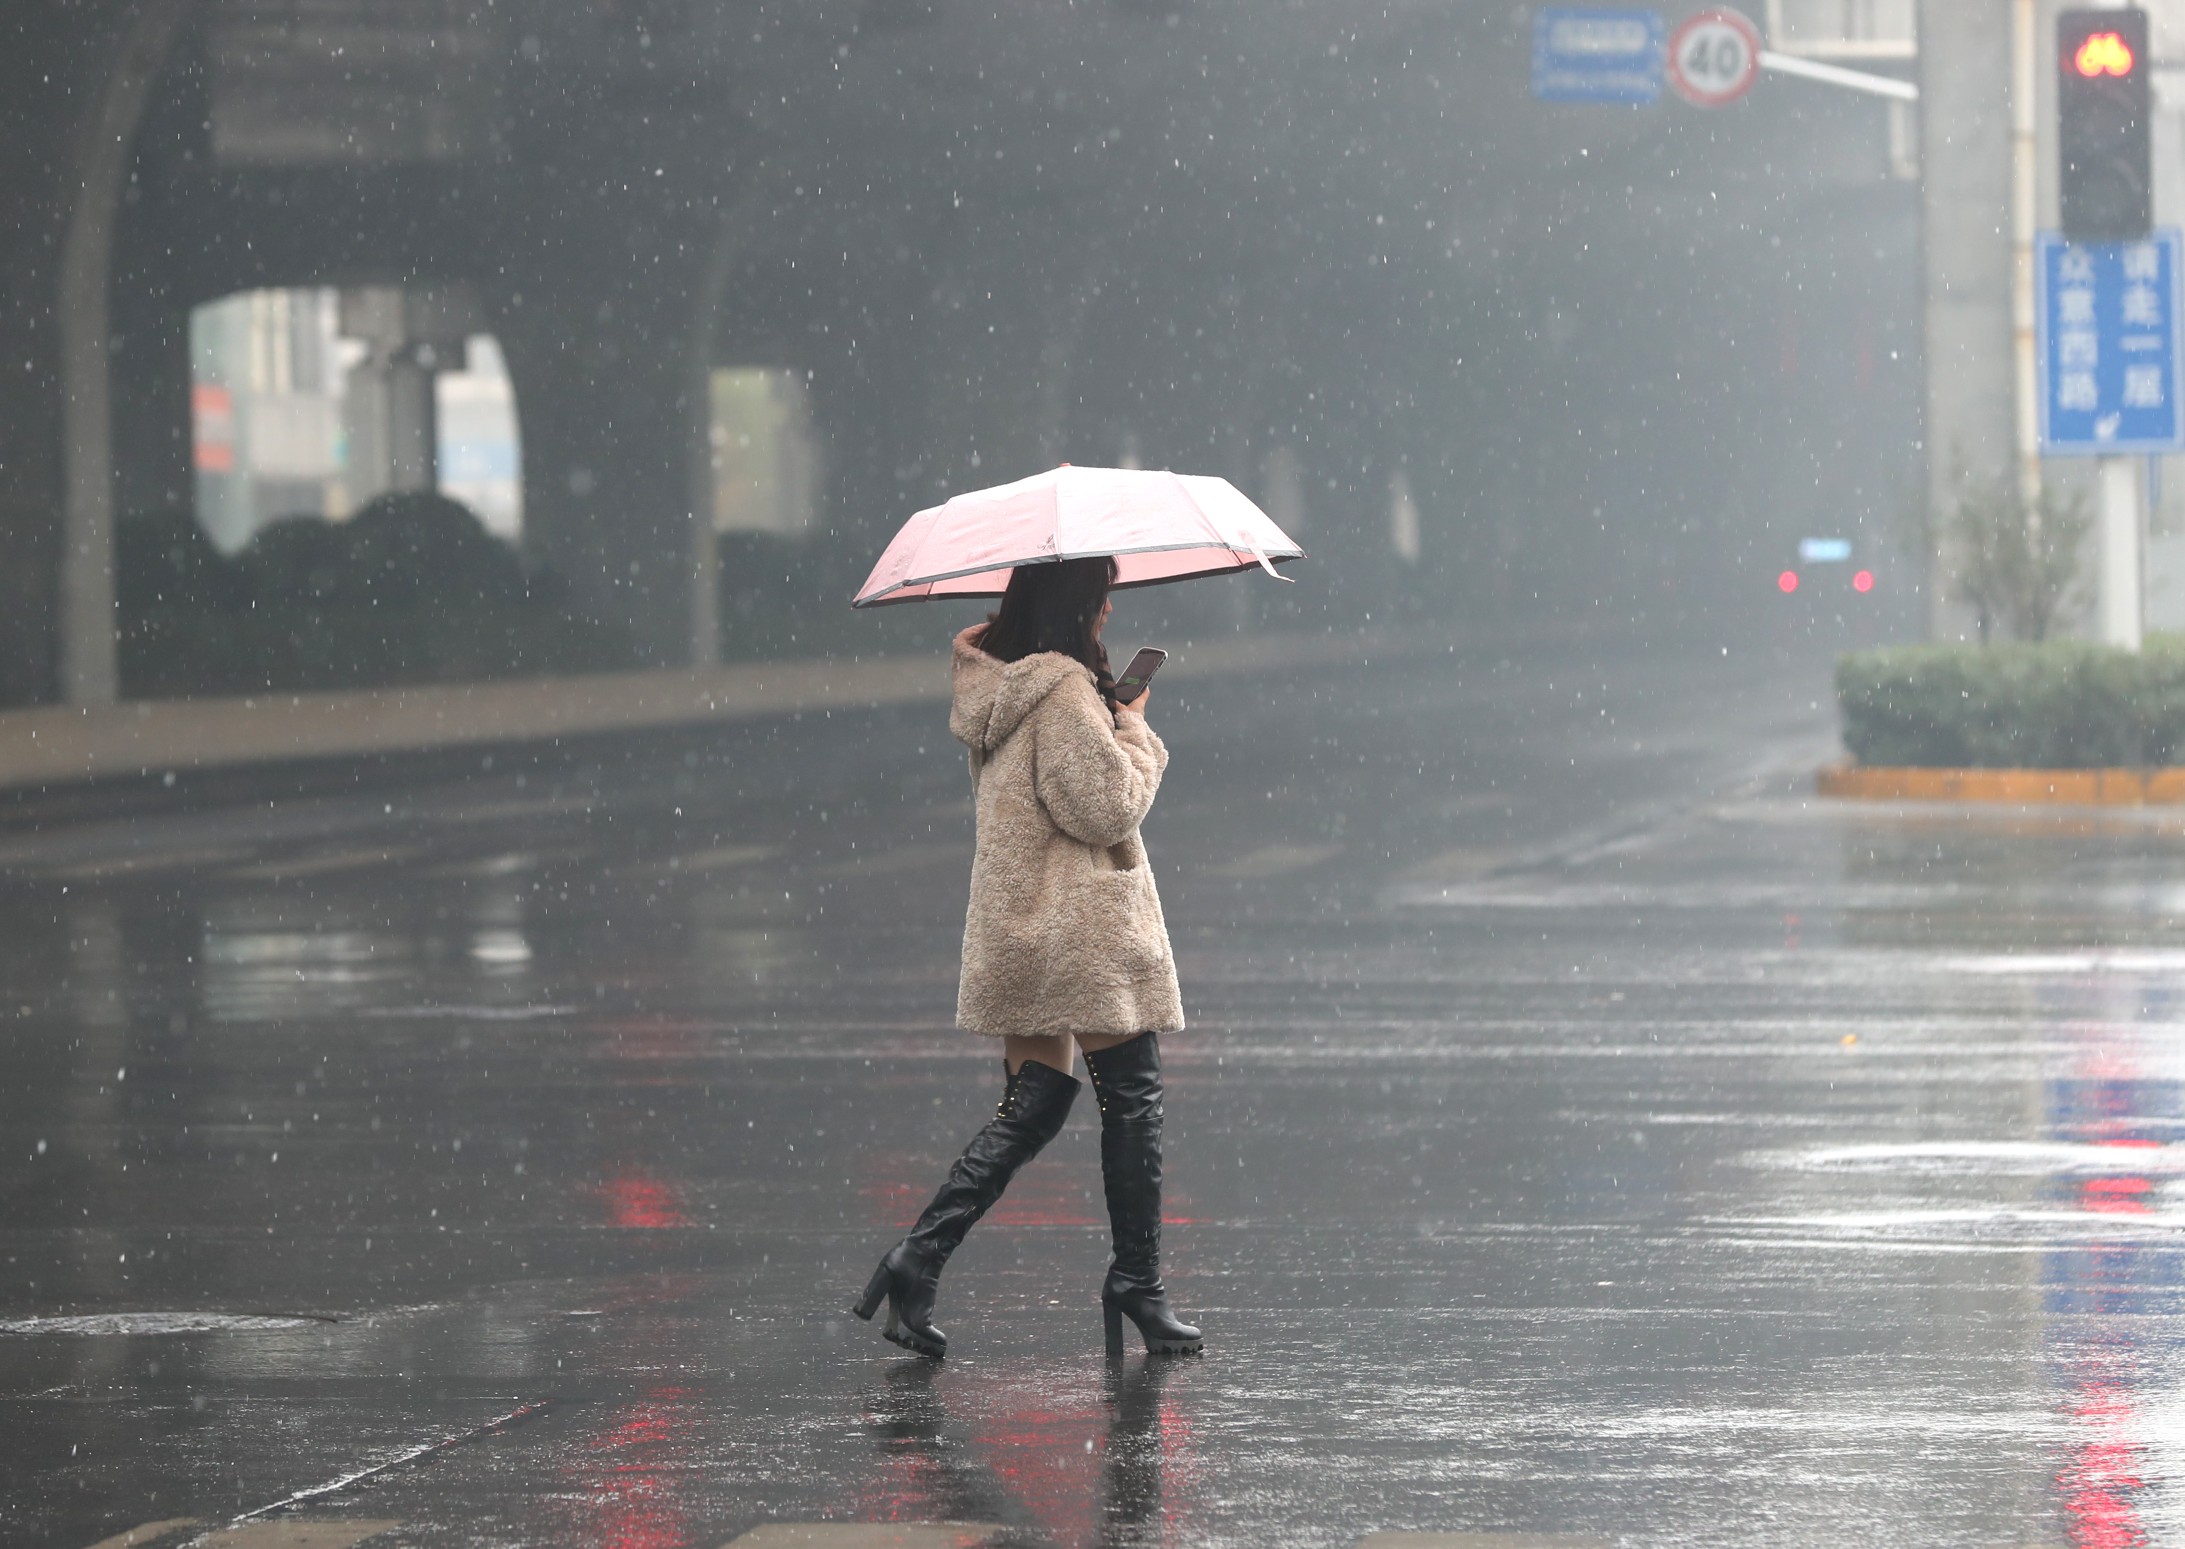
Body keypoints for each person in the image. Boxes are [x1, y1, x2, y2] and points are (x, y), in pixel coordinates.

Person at [852, 554, 1202, 1359]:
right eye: (1103, 599)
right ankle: (1137, 1283)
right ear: (1078, 605)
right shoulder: (1062, 692)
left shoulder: (998, 689)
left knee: (1036, 1099)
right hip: (1078, 930)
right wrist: (1136, 726)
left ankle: (916, 1258)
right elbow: (1102, 805)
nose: (1109, 614)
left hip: (1020, 923)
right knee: (1132, 1094)